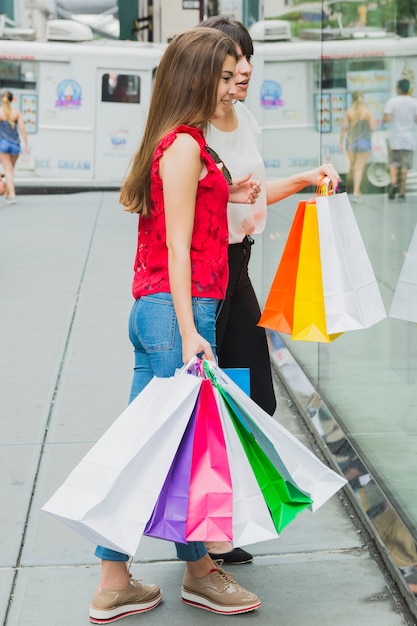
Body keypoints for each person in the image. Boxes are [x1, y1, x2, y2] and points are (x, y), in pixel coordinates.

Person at [89, 28, 263, 624]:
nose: (232, 81)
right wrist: (193, 330)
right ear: (195, 78)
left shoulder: (178, 143)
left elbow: (180, 220)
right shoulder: (186, 144)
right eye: (221, 73)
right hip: (176, 311)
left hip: (158, 309)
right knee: (187, 448)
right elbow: (178, 247)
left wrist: (228, 192)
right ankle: (197, 572)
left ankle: (115, 582)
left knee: (148, 446)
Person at [199, 16, 340, 564]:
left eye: (247, 60)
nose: (244, 71)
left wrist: (304, 179)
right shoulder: (190, 129)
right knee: (207, 403)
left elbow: (251, 197)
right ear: (207, 65)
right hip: (205, 272)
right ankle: (208, 541)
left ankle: (224, 521)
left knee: (256, 395)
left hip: (238, 266)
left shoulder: (245, 120)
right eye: (232, 61)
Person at [383, 78, 417, 201]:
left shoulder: (392, 101)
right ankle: (402, 192)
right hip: (409, 139)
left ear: (398, 89)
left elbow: (386, 119)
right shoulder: (414, 102)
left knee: (393, 163)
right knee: (404, 166)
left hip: (395, 138)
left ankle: (393, 184)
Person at [339, 91, 376, 201]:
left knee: (353, 167)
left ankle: (352, 187)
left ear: (352, 99)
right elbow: (373, 128)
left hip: (351, 143)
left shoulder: (349, 112)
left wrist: (340, 143)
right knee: (359, 168)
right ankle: (356, 192)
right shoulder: (367, 112)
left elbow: (344, 128)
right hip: (364, 143)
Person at [0, 90, 29, 205]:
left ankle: (12, 195)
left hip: (3, 144)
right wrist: (26, 144)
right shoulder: (16, 113)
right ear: (12, 100)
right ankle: (7, 194)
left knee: (8, 170)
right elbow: (22, 130)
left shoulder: (0, 112)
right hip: (15, 145)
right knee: (10, 170)